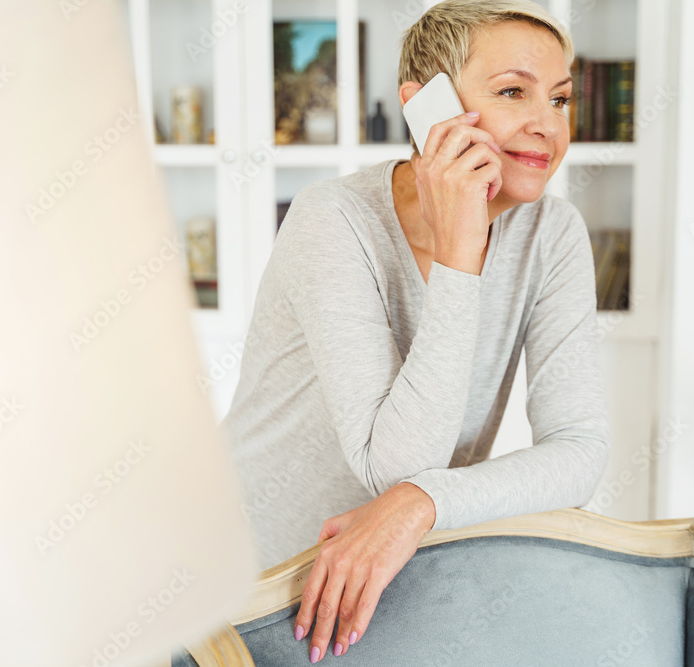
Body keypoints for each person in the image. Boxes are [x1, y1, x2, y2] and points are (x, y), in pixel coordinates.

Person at [218, 0, 610, 662]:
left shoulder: (554, 234)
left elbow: (580, 449)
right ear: (425, 106)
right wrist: (462, 252)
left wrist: (424, 502)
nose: (547, 125)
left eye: (561, 99)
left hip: (385, 584)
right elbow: (393, 464)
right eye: (514, 91)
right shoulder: (331, 221)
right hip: (247, 592)